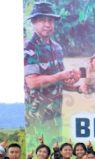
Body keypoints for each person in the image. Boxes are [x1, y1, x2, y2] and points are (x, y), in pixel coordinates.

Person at [24, 1, 84, 139]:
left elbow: (60, 82)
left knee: (56, 153)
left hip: (55, 115)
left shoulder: (57, 48)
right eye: (42, 20)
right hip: (37, 117)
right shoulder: (29, 48)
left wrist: (77, 87)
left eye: (50, 20)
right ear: (33, 22)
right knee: (37, 155)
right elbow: (32, 82)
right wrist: (60, 75)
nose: (47, 24)